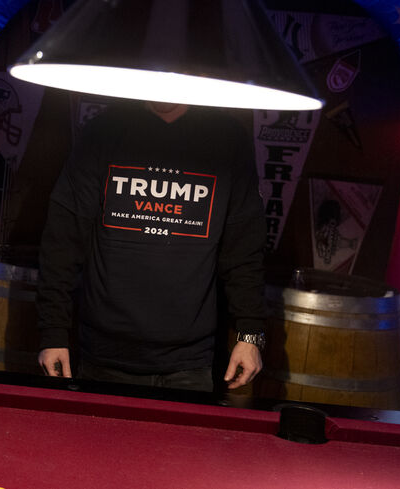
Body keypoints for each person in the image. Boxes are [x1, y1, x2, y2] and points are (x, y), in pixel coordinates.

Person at [36, 100, 267, 391]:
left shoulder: (228, 137)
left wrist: (251, 334)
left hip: (191, 362)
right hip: (103, 356)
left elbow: (244, 250)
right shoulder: (104, 130)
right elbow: (62, 241)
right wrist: (53, 332)